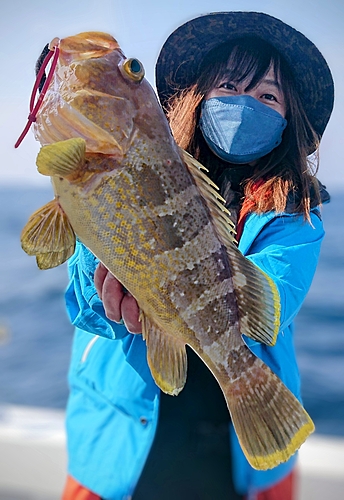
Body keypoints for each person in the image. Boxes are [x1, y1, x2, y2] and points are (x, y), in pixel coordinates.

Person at [61, 11, 334, 500]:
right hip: (121, 441)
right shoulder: (132, 163)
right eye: (229, 84)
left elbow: (269, 307)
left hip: (232, 453)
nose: (246, 103)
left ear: (288, 120)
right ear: (196, 95)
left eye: (267, 96)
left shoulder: (297, 216)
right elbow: (84, 304)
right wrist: (102, 281)